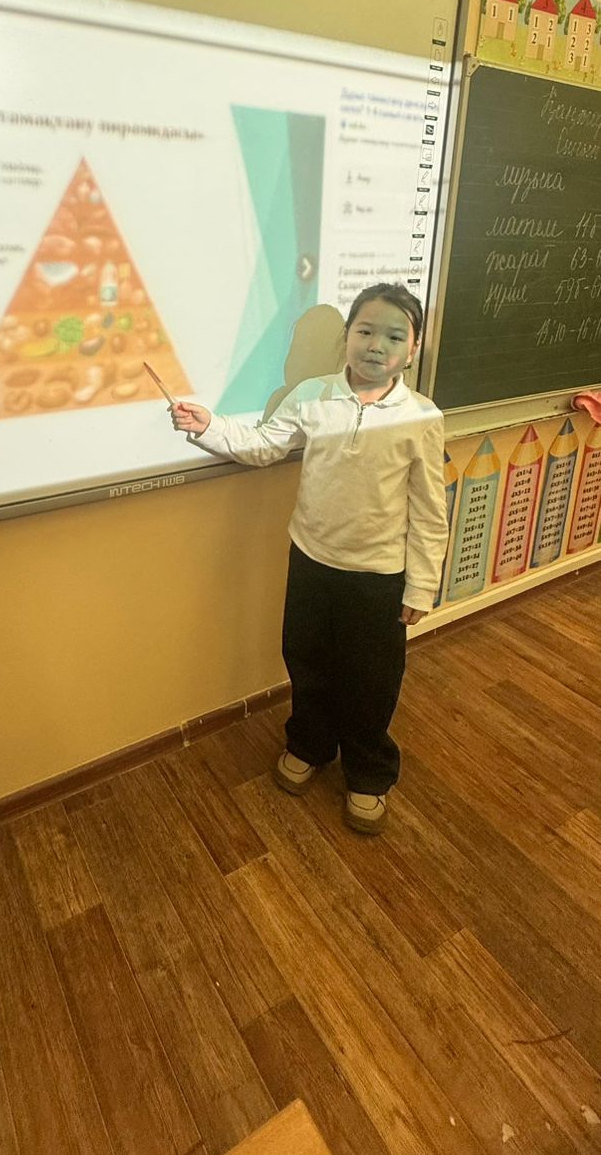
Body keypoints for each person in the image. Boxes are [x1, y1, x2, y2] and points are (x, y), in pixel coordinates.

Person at [171, 282, 447, 835]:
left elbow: (430, 510)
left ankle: (368, 771)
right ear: (348, 336)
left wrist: (420, 586)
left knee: (371, 680)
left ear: (413, 349)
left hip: (378, 577)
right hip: (312, 562)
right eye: (365, 330)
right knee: (307, 661)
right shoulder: (312, 395)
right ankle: (309, 744)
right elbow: (264, 445)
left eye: (394, 336)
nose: (376, 345)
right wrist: (209, 427)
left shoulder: (420, 416)